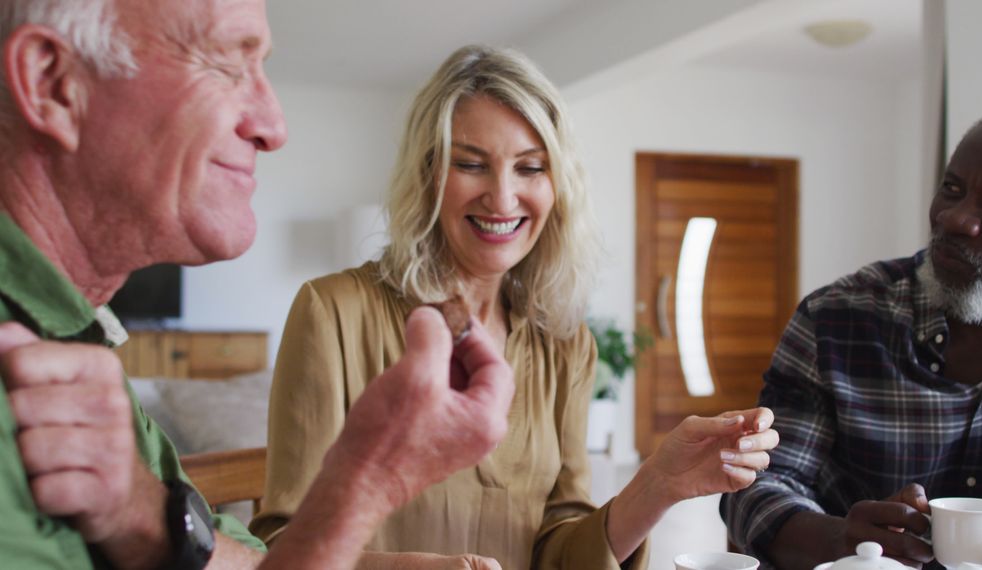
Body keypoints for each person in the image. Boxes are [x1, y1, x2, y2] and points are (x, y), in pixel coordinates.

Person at [0, 1, 515, 569]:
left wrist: (148, 516)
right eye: (226, 63)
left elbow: (239, 562)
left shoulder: (77, 340)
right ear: (53, 83)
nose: (275, 127)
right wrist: (369, 478)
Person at [250, 44, 780, 570]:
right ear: (428, 174)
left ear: (557, 187)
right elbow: (281, 546)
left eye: (529, 168)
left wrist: (658, 485)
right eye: (471, 164)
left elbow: (560, 551)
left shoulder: (567, 344)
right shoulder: (333, 312)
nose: (502, 199)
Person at [721, 104, 982, 569]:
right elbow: (755, 484)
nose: (956, 219)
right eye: (951, 189)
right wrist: (840, 540)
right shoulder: (838, 318)